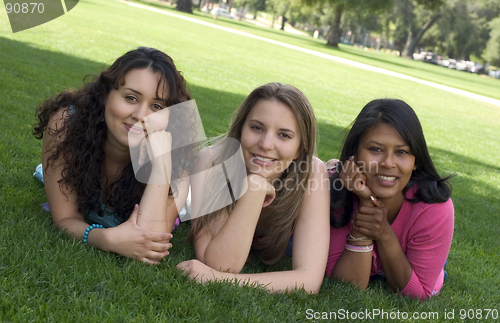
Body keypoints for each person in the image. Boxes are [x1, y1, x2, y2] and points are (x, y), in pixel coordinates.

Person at [33, 47, 196, 265]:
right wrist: (107, 239)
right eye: (130, 98)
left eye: (157, 106)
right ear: (106, 95)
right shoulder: (67, 124)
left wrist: (161, 167)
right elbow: (65, 218)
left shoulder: (177, 159)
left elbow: (149, 244)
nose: (140, 116)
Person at [177, 83, 330, 294]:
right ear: (241, 130)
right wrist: (254, 189)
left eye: (284, 135)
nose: (266, 144)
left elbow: (309, 280)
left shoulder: (312, 172)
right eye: (257, 127)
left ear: (299, 149)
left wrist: (220, 280)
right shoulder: (212, 160)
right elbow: (218, 263)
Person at [326, 99, 454, 300]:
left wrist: (384, 231)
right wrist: (367, 203)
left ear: (416, 161)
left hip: (407, 255)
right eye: (376, 149)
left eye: (402, 152)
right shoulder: (337, 190)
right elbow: (345, 282)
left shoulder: (434, 207)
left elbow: (418, 294)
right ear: (354, 152)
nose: (388, 163)